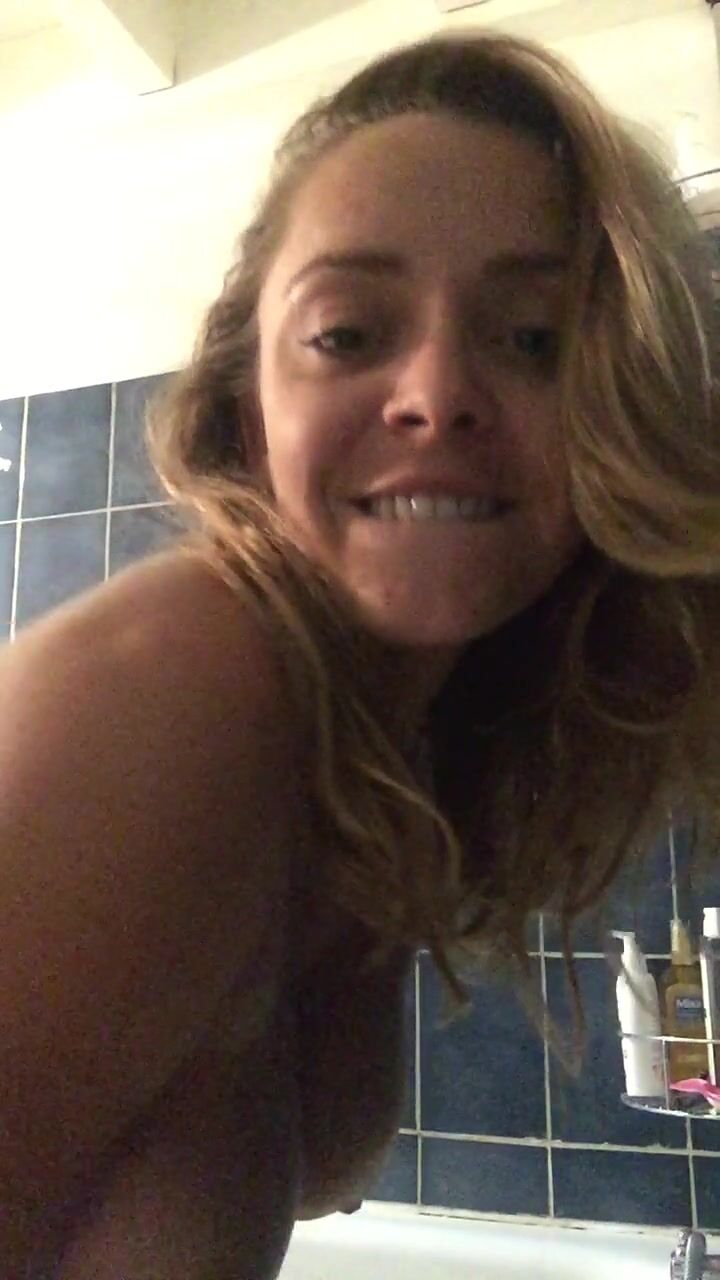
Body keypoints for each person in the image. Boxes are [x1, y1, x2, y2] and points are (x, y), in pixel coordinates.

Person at [1, 27, 718, 1280]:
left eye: (531, 337)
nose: (437, 391)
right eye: (347, 331)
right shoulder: (183, 682)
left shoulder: (379, 751)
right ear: (249, 410)